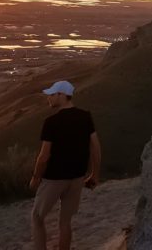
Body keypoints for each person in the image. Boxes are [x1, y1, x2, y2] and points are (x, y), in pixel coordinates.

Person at [30, 80, 101, 250]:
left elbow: (43, 156)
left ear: (61, 95)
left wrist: (35, 177)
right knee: (65, 221)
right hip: (77, 177)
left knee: (37, 217)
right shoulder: (85, 116)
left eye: (51, 95)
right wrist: (94, 174)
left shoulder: (51, 122)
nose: (48, 98)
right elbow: (95, 147)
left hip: (54, 179)